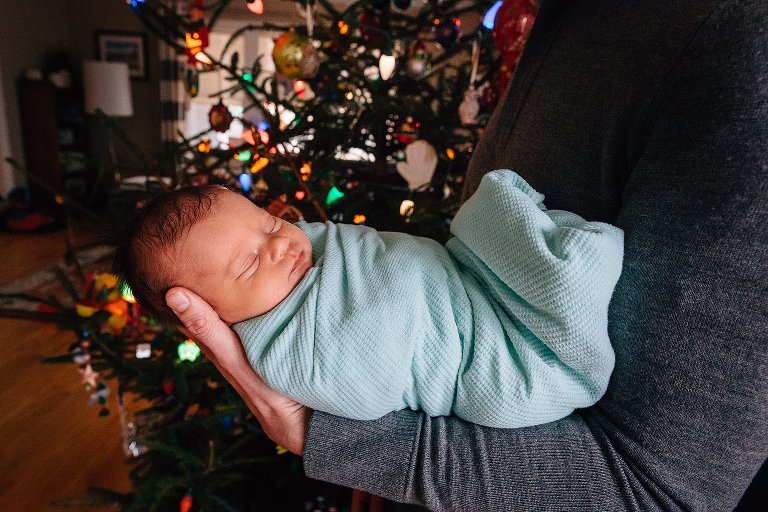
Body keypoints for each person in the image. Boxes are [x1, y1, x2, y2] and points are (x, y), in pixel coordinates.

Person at [164, 0, 768, 509]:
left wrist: (331, 439)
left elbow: (660, 493)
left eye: (274, 225)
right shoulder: (569, 18)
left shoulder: (738, 47)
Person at [117, 170, 623, 428]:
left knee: (486, 208)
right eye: (249, 263)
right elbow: (368, 385)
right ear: (212, 315)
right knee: (561, 274)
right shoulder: (288, 351)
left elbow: (339, 243)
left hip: (464, 283)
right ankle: (558, 279)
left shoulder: (298, 254)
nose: (278, 245)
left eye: (269, 223)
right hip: (486, 360)